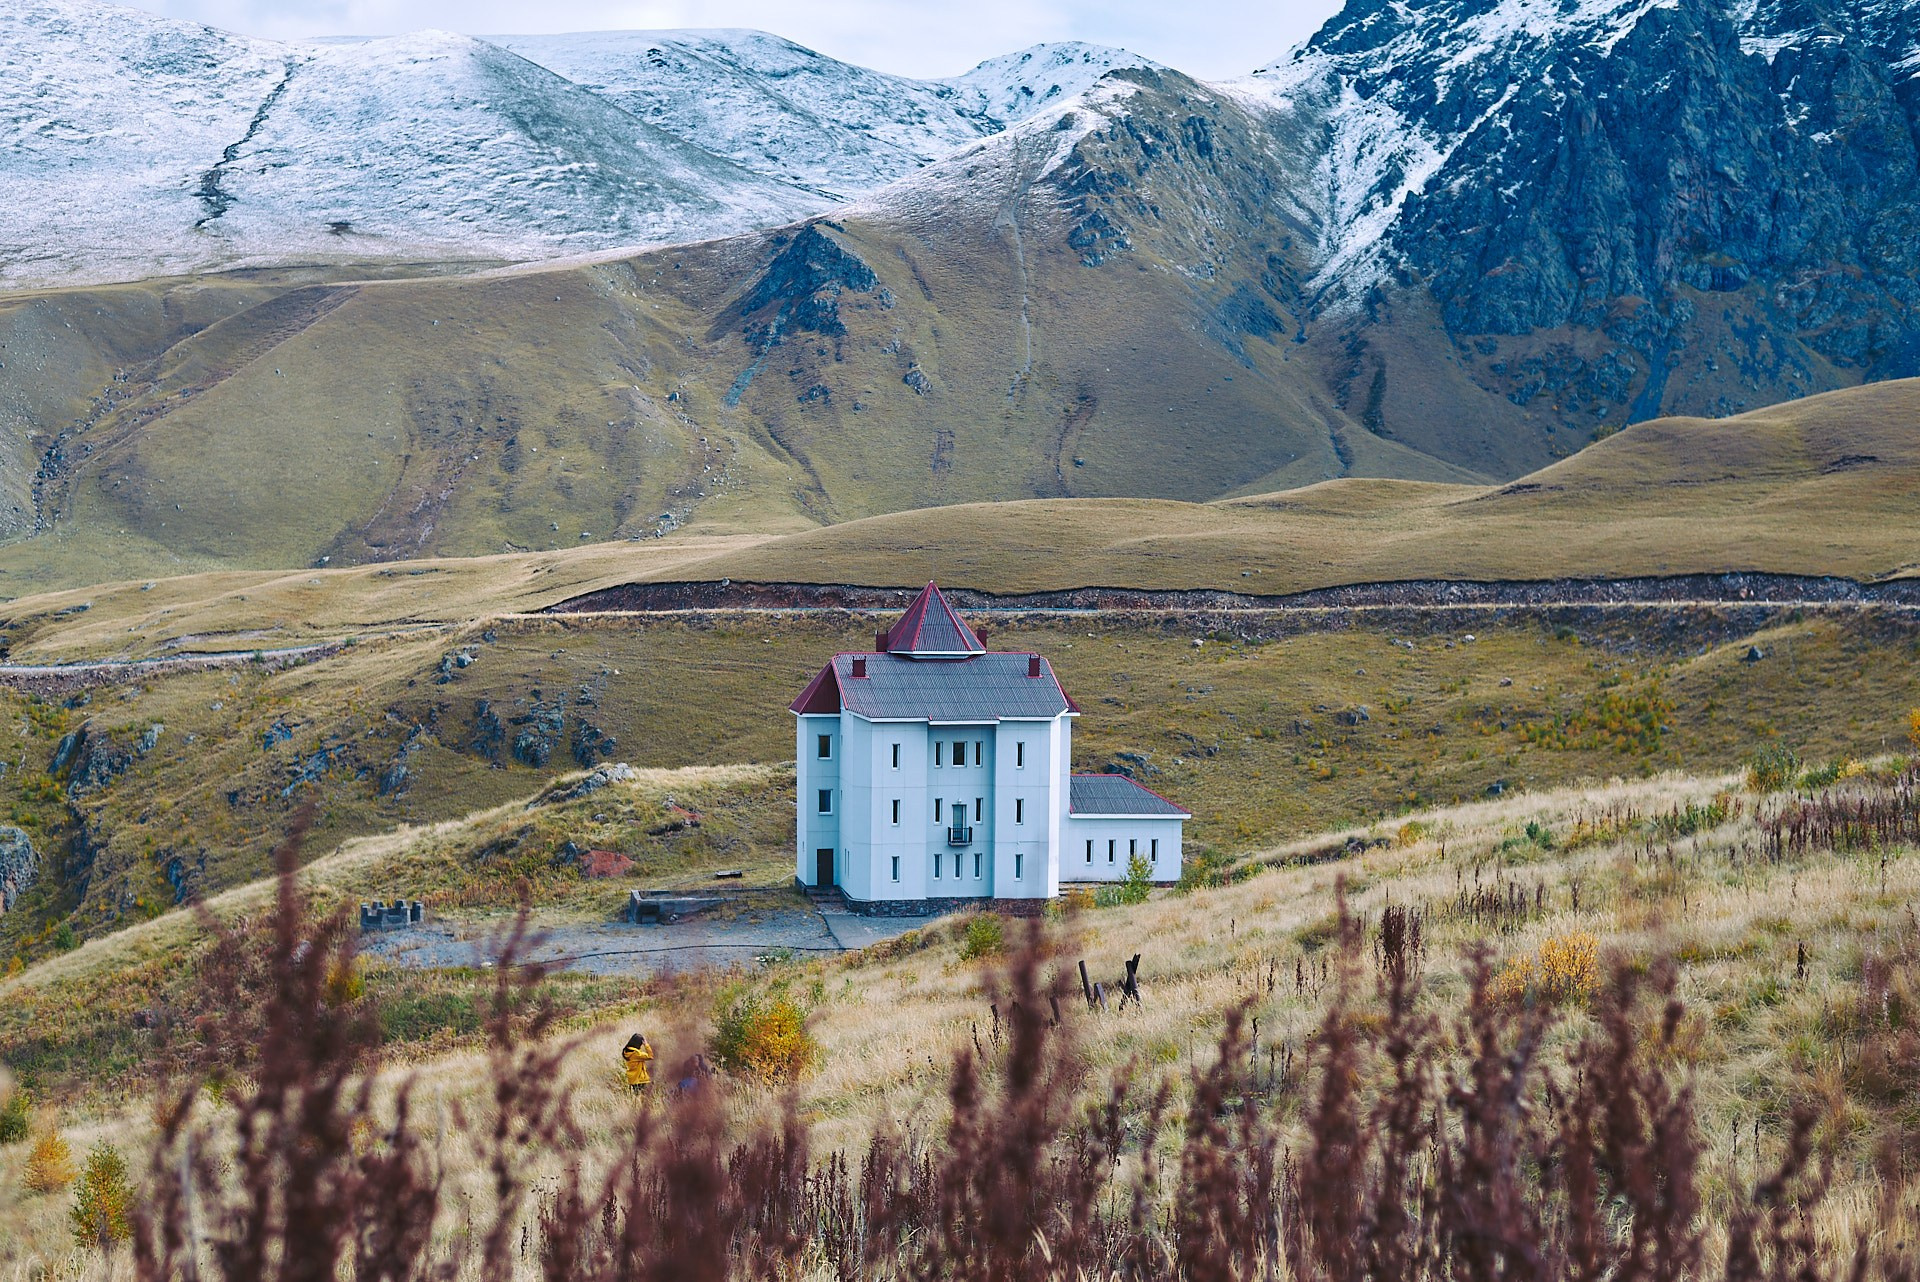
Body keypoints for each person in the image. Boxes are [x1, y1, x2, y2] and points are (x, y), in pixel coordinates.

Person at [622, 1033, 654, 1097]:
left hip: (633, 1079)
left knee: (637, 1097)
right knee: (645, 1098)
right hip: (640, 1079)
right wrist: (646, 1045)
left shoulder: (627, 1051)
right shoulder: (636, 1053)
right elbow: (650, 1056)